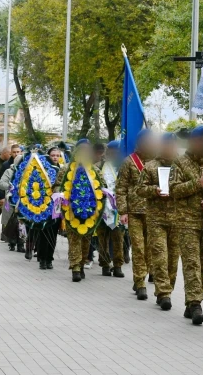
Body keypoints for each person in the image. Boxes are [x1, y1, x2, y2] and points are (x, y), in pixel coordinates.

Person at [169, 126, 203, 325]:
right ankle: (196, 303)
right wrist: (197, 184)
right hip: (186, 221)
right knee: (192, 263)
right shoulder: (180, 163)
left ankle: (193, 302)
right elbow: (173, 190)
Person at [139, 133, 180, 311]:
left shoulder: (182, 166)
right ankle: (163, 293)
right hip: (156, 218)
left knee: (173, 258)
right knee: (160, 256)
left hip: (178, 218)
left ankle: (168, 287)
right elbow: (139, 190)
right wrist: (154, 190)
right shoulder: (150, 166)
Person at [53, 140, 103, 282]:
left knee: (86, 239)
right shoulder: (66, 169)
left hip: (90, 211)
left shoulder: (95, 170)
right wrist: (61, 195)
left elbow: (102, 186)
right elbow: (57, 185)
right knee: (74, 238)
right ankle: (75, 266)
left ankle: (81, 263)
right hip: (70, 210)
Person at [116, 129, 155, 300]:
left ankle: (144, 272)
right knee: (138, 248)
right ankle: (140, 282)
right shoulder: (129, 162)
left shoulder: (157, 161)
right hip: (134, 212)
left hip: (154, 212)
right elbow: (121, 188)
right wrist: (123, 210)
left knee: (150, 248)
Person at [97, 140, 125, 278]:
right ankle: (104, 264)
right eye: (112, 152)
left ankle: (118, 265)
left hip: (117, 207)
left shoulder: (123, 166)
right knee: (102, 237)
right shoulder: (99, 166)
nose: (114, 154)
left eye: (117, 152)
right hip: (102, 207)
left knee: (118, 237)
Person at [33, 147, 62, 269]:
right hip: (44, 205)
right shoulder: (43, 169)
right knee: (44, 232)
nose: (55, 157)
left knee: (53, 233)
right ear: (48, 156)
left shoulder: (63, 169)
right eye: (53, 155)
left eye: (57, 155)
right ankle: (42, 258)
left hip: (57, 205)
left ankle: (49, 258)